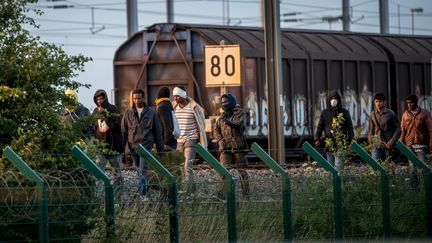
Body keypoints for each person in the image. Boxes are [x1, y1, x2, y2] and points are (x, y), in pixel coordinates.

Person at [122, 88, 164, 195]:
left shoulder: (151, 112)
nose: (136, 100)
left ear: (143, 98)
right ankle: (144, 190)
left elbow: (157, 131)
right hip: (133, 147)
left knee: (142, 170)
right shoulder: (128, 113)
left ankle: (142, 194)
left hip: (146, 146)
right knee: (138, 171)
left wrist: (160, 149)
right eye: (134, 98)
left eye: (139, 98)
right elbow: (124, 131)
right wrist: (124, 149)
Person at [214, 93, 250, 197]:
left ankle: (246, 194)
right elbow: (216, 129)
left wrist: (229, 122)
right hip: (225, 148)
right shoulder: (222, 115)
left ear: (232, 101)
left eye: (226, 101)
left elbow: (240, 125)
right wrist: (220, 140)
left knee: (242, 172)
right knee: (223, 172)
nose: (224, 104)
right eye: (223, 102)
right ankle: (221, 194)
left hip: (238, 147)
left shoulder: (239, 112)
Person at [172, 85, 207, 192]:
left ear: (183, 95)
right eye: (174, 96)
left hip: (191, 139)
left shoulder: (194, 107)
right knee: (180, 167)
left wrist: (197, 136)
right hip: (178, 141)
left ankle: (187, 193)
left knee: (187, 166)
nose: (175, 98)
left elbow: (201, 123)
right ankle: (192, 189)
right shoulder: (174, 107)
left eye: (177, 96)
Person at [314, 91, 354, 171]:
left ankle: (338, 181)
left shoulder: (344, 112)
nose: (333, 100)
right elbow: (320, 127)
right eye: (331, 99)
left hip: (341, 144)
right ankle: (332, 182)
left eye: (335, 98)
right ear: (329, 100)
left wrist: (351, 138)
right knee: (330, 168)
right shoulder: (325, 113)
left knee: (339, 167)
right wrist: (317, 138)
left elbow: (350, 127)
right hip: (329, 144)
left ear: (339, 100)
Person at [92, 89, 123, 185]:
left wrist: (105, 113)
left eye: (101, 99)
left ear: (105, 98)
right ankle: (99, 196)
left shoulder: (113, 109)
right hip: (100, 148)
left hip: (114, 147)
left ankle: (118, 196)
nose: (99, 101)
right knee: (98, 173)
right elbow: (93, 127)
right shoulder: (95, 111)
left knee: (116, 174)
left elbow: (117, 124)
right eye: (97, 100)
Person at [400, 94, 432, 168]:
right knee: (412, 169)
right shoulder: (405, 115)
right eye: (408, 103)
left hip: (422, 144)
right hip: (409, 145)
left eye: (411, 103)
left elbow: (430, 130)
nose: (409, 105)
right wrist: (401, 142)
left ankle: (425, 180)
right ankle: (413, 180)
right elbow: (403, 130)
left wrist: (430, 142)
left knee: (424, 168)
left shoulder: (425, 114)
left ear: (416, 102)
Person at [368, 93, 401, 161]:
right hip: (376, 145)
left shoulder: (391, 114)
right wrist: (370, 145)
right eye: (376, 101)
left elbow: (398, 129)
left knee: (388, 167)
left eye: (380, 101)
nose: (378, 103)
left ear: (384, 102)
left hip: (388, 144)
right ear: (374, 102)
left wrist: (392, 141)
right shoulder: (372, 114)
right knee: (375, 166)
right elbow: (370, 131)